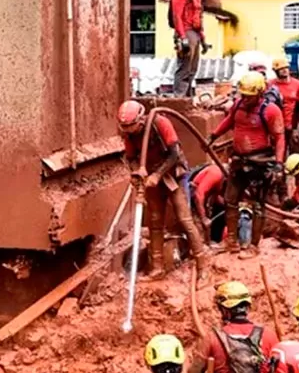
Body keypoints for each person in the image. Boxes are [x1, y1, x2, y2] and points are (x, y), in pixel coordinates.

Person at [119, 100, 209, 277]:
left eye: (131, 126)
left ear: (141, 119)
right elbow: (130, 158)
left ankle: (202, 267)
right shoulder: (129, 135)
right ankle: (157, 268)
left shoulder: (160, 123)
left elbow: (175, 154)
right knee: (155, 221)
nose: (128, 130)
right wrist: (136, 171)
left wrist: (157, 175)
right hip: (151, 177)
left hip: (174, 174)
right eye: (125, 127)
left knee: (184, 219)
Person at [210, 71, 286, 256]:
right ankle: (232, 241)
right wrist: (213, 136)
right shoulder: (238, 105)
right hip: (239, 160)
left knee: (257, 204)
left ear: (259, 93)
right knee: (230, 200)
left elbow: (279, 137)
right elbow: (228, 122)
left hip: (259, 162)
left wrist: (278, 164)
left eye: (249, 96)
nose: (245, 99)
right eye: (243, 95)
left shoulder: (270, 110)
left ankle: (253, 246)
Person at [171, 0, 210, 97]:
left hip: (195, 33)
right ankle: (179, 98)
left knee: (192, 69)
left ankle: (187, 98)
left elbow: (198, 18)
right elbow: (177, 16)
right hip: (186, 32)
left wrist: (203, 39)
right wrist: (182, 38)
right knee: (184, 69)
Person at [188, 163, 227, 245]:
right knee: (198, 221)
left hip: (201, 197)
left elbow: (216, 197)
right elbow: (198, 194)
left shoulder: (221, 181)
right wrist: (203, 217)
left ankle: (207, 243)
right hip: (191, 194)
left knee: (207, 218)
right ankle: (200, 246)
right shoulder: (216, 174)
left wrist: (228, 205)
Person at [270, 57, 299, 128]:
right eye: (281, 68)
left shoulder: (298, 84)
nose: (284, 70)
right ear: (275, 70)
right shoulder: (270, 85)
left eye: (286, 67)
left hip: (293, 125)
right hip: (276, 125)